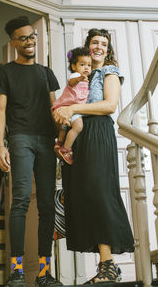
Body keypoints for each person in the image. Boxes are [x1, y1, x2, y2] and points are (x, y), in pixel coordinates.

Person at [53, 28, 134, 284]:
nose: (99, 46)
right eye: (94, 42)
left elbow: (110, 105)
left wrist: (72, 107)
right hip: (80, 136)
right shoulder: (80, 74)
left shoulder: (109, 71)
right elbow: (67, 107)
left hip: (98, 133)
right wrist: (61, 124)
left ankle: (109, 266)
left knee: (100, 193)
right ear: (87, 46)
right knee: (86, 195)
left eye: (103, 43)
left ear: (107, 49)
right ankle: (105, 267)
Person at [0, 16, 63, 287]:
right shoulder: (6, 72)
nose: (30, 40)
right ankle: (17, 271)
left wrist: (62, 142)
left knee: (47, 206)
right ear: (13, 42)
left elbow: (55, 109)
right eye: (23, 37)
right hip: (20, 139)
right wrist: (0, 146)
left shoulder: (47, 73)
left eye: (32, 35)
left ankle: (44, 273)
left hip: (46, 142)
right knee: (20, 202)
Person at [52, 47, 92, 165]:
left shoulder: (87, 80)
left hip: (74, 109)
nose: (86, 68)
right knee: (78, 127)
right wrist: (80, 78)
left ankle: (59, 143)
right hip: (68, 106)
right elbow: (71, 82)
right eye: (82, 64)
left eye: (89, 65)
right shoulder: (75, 75)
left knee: (65, 126)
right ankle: (66, 149)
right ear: (74, 66)